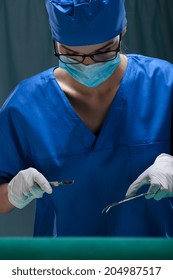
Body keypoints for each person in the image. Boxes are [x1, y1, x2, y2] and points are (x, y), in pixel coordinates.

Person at [0, 0, 173, 237]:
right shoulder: (25, 105)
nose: (88, 65)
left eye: (102, 52)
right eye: (71, 54)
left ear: (122, 30)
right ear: (55, 40)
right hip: (64, 266)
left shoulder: (164, 84)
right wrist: (12, 192)